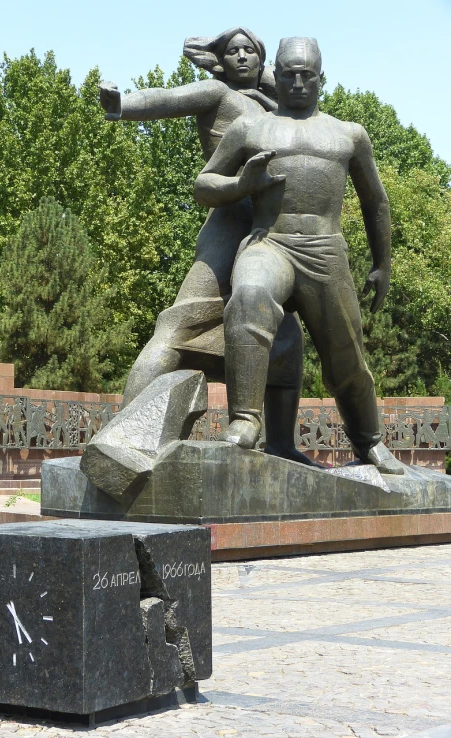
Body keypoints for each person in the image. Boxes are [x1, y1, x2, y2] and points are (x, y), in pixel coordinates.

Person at [100, 27, 313, 466]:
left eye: (248, 51)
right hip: (227, 226)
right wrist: (122, 105)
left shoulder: (277, 108)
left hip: (272, 235)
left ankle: (282, 444)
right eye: (231, 51)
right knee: (179, 327)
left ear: (262, 59)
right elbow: (168, 98)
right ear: (219, 60)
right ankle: (122, 433)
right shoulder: (217, 93)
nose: (239, 58)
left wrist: (270, 79)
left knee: (285, 340)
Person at [194, 36, 403, 474]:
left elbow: (376, 202)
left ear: (321, 78)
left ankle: (369, 441)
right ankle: (245, 422)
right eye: (288, 74)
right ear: (278, 74)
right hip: (269, 240)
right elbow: (204, 184)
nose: (297, 83)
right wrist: (241, 186)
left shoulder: (349, 134)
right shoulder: (250, 129)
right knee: (249, 296)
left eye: (306, 75)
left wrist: (382, 264)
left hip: (325, 250)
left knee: (346, 354)